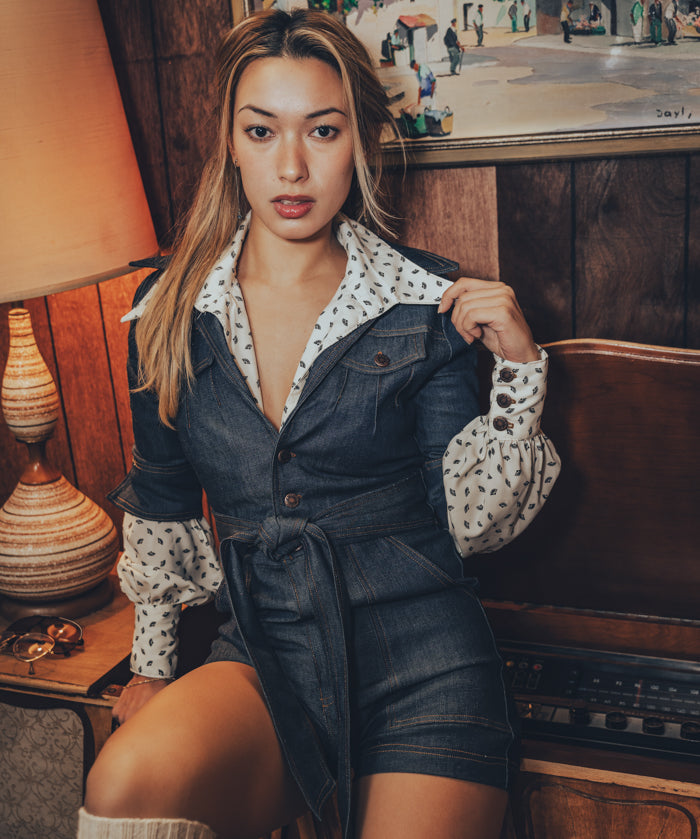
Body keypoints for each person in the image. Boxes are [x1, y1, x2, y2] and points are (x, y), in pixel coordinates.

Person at [79, 8, 560, 839]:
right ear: (231, 143)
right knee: (122, 783)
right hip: (265, 657)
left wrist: (519, 369)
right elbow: (162, 500)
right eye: (262, 131)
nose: (292, 165)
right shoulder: (166, 311)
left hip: (425, 662)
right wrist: (152, 668)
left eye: (323, 130)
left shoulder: (424, 302)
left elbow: (472, 525)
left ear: (359, 141)